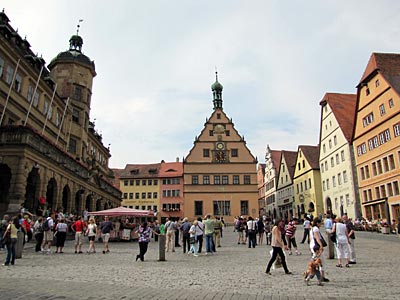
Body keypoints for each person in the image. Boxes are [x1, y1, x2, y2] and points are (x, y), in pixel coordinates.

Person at [309, 217, 329, 282]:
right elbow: (317, 238)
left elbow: (310, 239)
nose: (321, 224)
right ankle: (313, 276)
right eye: (320, 223)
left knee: (317, 261)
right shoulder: (316, 229)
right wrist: (321, 245)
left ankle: (321, 276)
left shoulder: (311, 229)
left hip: (313, 246)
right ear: (317, 223)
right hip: (316, 247)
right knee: (319, 261)